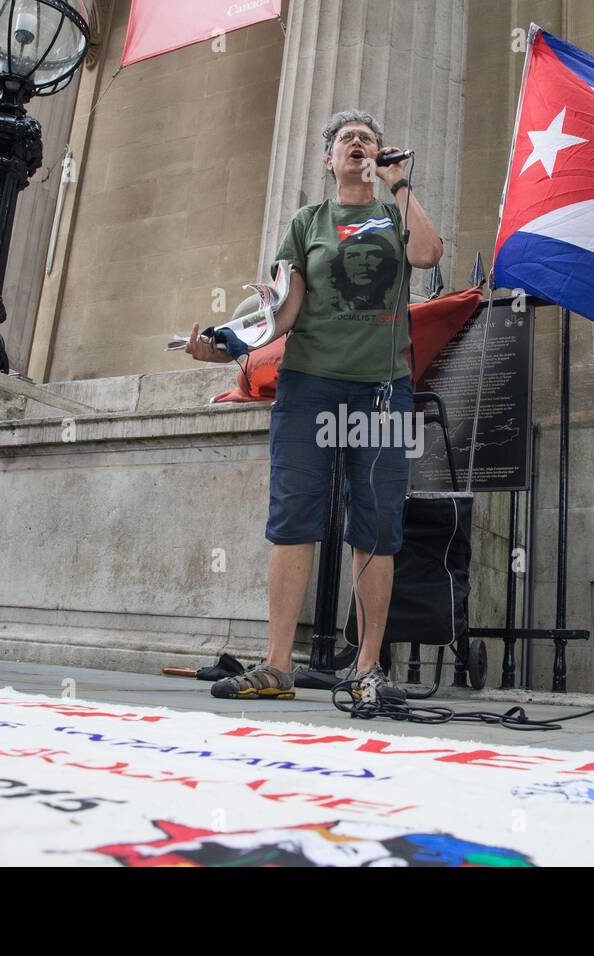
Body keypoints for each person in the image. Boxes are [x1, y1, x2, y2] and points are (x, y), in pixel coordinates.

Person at [185, 110, 444, 701]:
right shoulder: (308, 222)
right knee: (293, 518)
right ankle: (277, 666)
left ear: (378, 156)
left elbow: (428, 254)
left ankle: (366, 667)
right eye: (346, 140)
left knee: (376, 525)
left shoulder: (392, 213)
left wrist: (400, 184)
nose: (357, 144)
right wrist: (225, 349)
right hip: (310, 385)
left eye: (368, 139)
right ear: (329, 161)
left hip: (381, 390)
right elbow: (283, 311)